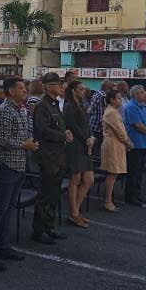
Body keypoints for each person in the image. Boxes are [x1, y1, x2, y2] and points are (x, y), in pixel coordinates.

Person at [0, 77, 36, 271]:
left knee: (9, 209)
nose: (25, 91)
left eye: (25, 87)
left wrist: (30, 141)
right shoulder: (5, 110)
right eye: (21, 88)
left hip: (19, 165)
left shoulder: (21, 108)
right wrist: (24, 144)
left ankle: (3, 246)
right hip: (6, 166)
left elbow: (24, 133)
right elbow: (1, 140)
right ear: (11, 91)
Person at [31, 72, 70, 244]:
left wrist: (65, 132)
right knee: (45, 195)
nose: (60, 87)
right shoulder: (43, 105)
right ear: (47, 87)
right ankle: (38, 231)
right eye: (56, 84)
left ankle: (49, 227)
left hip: (58, 155)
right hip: (48, 156)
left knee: (54, 194)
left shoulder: (54, 104)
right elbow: (42, 130)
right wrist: (63, 135)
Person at [63, 81, 94, 227]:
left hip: (85, 144)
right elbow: (72, 126)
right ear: (73, 90)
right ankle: (74, 213)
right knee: (75, 178)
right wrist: (85, 139)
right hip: (75, 145)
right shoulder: (69, 106)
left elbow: (86, 124)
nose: (83, 91)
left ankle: (75, 209)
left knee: (88, 179)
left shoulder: (82, 104)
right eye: (80, 89)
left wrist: (91, 137)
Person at [101, 90, 132, 212]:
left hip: (117, 144)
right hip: (113, 144)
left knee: (114, 172)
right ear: (112, 100)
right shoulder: (111, 113)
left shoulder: (114, 111)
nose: (120, 100)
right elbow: (119, 131)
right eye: (118, 98)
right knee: (112, 172)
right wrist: (128, 142)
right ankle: (107, 201)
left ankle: (109, 199)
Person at [124, 85, 146, 205]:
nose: (144, 94)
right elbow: (137, 124)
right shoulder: (131, 107)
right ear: (136, 95)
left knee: (139, 170)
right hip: (135, 143)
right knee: (133, 171)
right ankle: (130, 196)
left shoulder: (143, 107)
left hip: (143, 142)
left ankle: (137, 193)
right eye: (142, 93)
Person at [89, 80, 114, 158]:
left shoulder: (96, 94)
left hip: (94, 125)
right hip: (99, 126)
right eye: (111, 88)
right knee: (97, 149)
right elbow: (102, 113)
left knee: (95, 147)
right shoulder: (102, 96)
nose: (111, 90)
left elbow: (91, 109)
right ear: (107, 87)